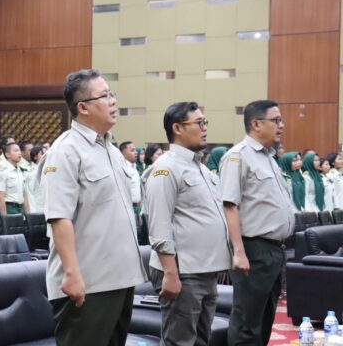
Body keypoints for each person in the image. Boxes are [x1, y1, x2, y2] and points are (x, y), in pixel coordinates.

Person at [38, 69, 146, 346]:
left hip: (120, 278)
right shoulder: (65, 150)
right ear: (83, 107)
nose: (113, 101)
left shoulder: (111, 150)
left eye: (112, 94)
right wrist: (72, 273)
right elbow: (59, 218)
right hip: (88, 281)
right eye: (105, 96)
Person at [144, 101, 230, 346]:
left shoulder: (200, 169)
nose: (205, 128)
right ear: (177, 128)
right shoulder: (166, 168)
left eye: (205, 122)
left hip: (205, 270)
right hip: (183, 271)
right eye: (199, 123)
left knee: (201, 340)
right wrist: (171, 273)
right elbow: (159, 225)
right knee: (179, 341)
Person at [220, 99, 295, 346]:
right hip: (253, 249)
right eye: (276, 120)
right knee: (247, 324)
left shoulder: (269, 158)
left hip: (274, 250)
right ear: (256, 124)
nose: (281, 125)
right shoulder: (238, 156)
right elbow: (230, 206)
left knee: (264, 321)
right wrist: (239, 252)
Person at [0, 142, 28, 215]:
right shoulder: (2, 172)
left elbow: (24, 195)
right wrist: (5, 217)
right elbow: (0, 197)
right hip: (10, 208)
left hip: (21, 209)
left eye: (19, 151)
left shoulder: (21, 171)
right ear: (7, 155)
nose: (19, 153)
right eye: (16, 151)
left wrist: (27, 214)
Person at [120, 141, 143, 224]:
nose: (136, 152)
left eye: (135, 150)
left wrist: (140, 213)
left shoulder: (134, 167)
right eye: (132, 150)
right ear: (123, 154)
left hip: (137, 209)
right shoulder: (122, 169)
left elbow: (138, 192)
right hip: (127, 210)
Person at [24, 144, 45, 214]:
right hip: (37, 210)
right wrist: (32, 213)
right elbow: (29, 194)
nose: (45, 156)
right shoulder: (31, 173)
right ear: (35, 157)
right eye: (42, 154)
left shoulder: (47, 171)